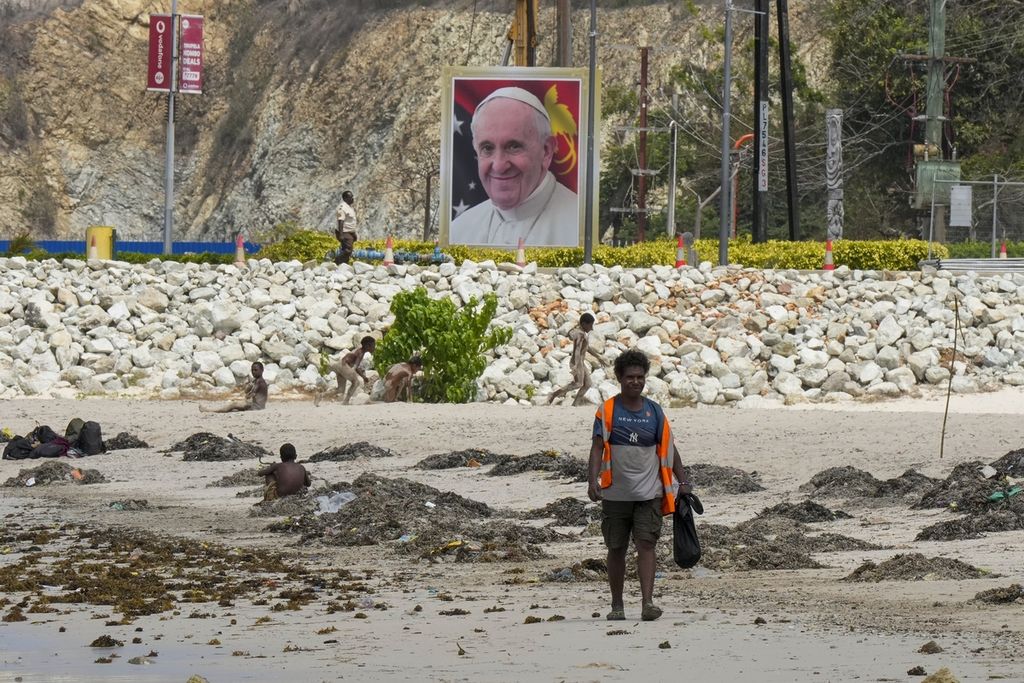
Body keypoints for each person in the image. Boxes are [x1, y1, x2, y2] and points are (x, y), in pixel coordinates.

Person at [587, 349, 690, 622]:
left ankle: (647, 603)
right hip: (615, 494)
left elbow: (669, 448)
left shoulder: (654, 411)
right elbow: (597, 448)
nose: (635, 381)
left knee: (647, 545)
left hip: (649, 494)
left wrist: (684, 480)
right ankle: (617, 605)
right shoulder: (607, 411)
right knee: (616, 549)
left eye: (640, 377)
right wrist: (592, 480)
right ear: (619, 378)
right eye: (630, 377)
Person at [449, 87, 579, 247]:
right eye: (487, 148)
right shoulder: (458, 231)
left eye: (513, 146)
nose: (499, 166)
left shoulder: (581, 228)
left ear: (546, 151)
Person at [548, 313, 604, 406]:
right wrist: (576, 366)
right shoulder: (580, 334)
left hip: (581, 362)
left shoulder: (583, 334)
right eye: (590, 325)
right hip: (577, 362)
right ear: (584, 324)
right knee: (578, 384)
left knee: (588, 383)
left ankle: (575, 404)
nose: (591, 328)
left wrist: (598, 357)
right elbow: (577, 351)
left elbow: (587, 348)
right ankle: (554, 395)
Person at [199, 362, 268, 413]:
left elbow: (250, 395)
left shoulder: (259, 382)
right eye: (252, 370)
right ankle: (213, 410)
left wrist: (248, 392)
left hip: (256, 407)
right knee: (234, 409)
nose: (253, 372)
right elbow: (247, 392)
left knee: (233, 404)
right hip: (259, 407)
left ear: (262, 370)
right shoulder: (258, 381)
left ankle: (209, 410)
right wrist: (249, 386)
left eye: (256, 370)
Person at [332, 336, 375, 404]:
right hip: (344, 365)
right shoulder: (361, 353)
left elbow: (355, 366)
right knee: (356, 382)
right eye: (373, 345)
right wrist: (354, 375)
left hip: (339, 364)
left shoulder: (359, 351)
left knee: (340, 390)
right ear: (368, 346)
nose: (374, 347)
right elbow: (355, 367)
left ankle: (321, 395)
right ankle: (346, 401)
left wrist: (363, 377)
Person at [335, 190, 357, 265]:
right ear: (345, 198)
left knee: (347, 249)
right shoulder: (342, 207)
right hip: (344, 232)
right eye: (351, 197)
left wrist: (353, 233)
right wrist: (341, 234)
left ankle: (344, 265)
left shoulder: (349, 207)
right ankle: (337, 261)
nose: (352, 198)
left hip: (350, 232)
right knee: (348, 250)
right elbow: (341, 221)